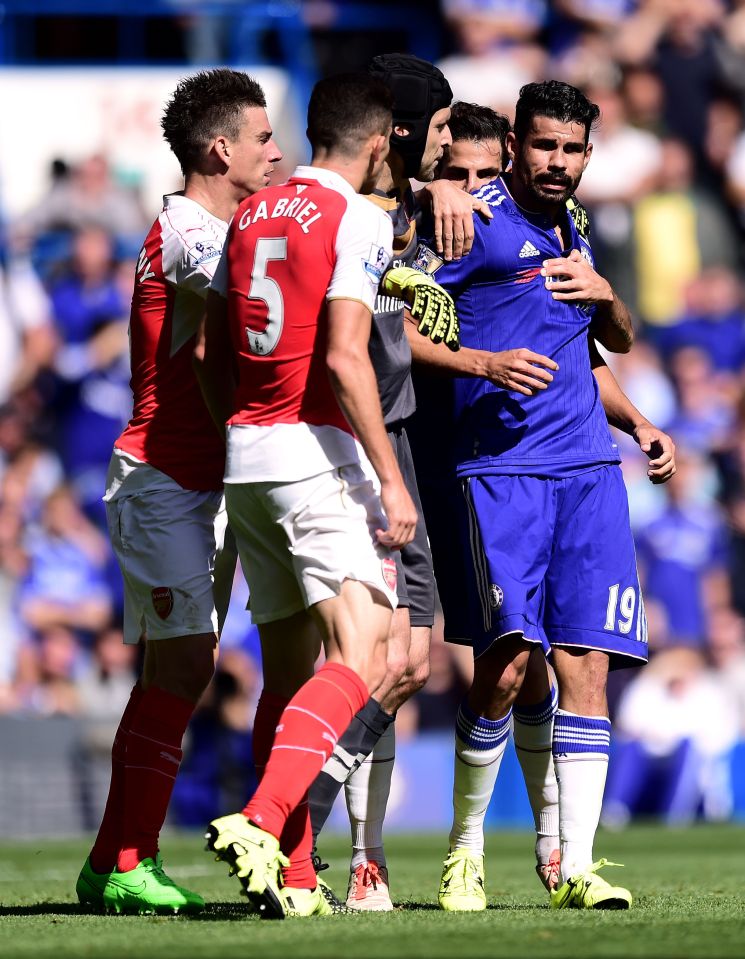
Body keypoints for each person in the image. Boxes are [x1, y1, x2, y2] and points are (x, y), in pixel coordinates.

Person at [414, 81, 675, 911]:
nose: (556, 163)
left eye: (571, 149)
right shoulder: (473, 218)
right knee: (506, 667)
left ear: (588, 154)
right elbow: (395, 320)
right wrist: (484, 365)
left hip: (589, 470)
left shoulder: (574, 227)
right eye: (543, 146)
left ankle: (577, 864)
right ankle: (464, 847)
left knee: (587, 662)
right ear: (517, 141)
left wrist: (637, 421)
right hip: (499, 470)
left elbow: (594, 345)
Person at [197, 72, 418, 921]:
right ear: (376, 144)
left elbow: (210, 353)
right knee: (363, 654)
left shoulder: (250, 211)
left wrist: (244, 432)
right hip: (315, 456)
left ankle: (291, 876)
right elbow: (345, 357)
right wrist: (389, 479)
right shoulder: (357, 218)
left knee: (288, 675)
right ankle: (261, 818)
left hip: (246, 458)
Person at [75, 68, 283, 916]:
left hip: (215, 481)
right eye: (264, 138)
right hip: (163, 478)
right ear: (219, 147)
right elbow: (255, 283)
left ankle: (109, 862)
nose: (277, 153)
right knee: (184, 665)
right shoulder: (188, 229)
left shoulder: (228, 226)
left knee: (178, 669)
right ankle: (130, 858)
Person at [305, 54, 488, 913]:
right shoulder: (344, 218)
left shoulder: (406, 209)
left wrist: (443, 187)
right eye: (443, 129)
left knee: (408, 659)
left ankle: (306, 821)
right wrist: (474, 357)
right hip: (347, 452)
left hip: (399, 445)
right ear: (405, 130)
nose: (453, 146)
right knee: (373, 655)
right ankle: (350, 852)